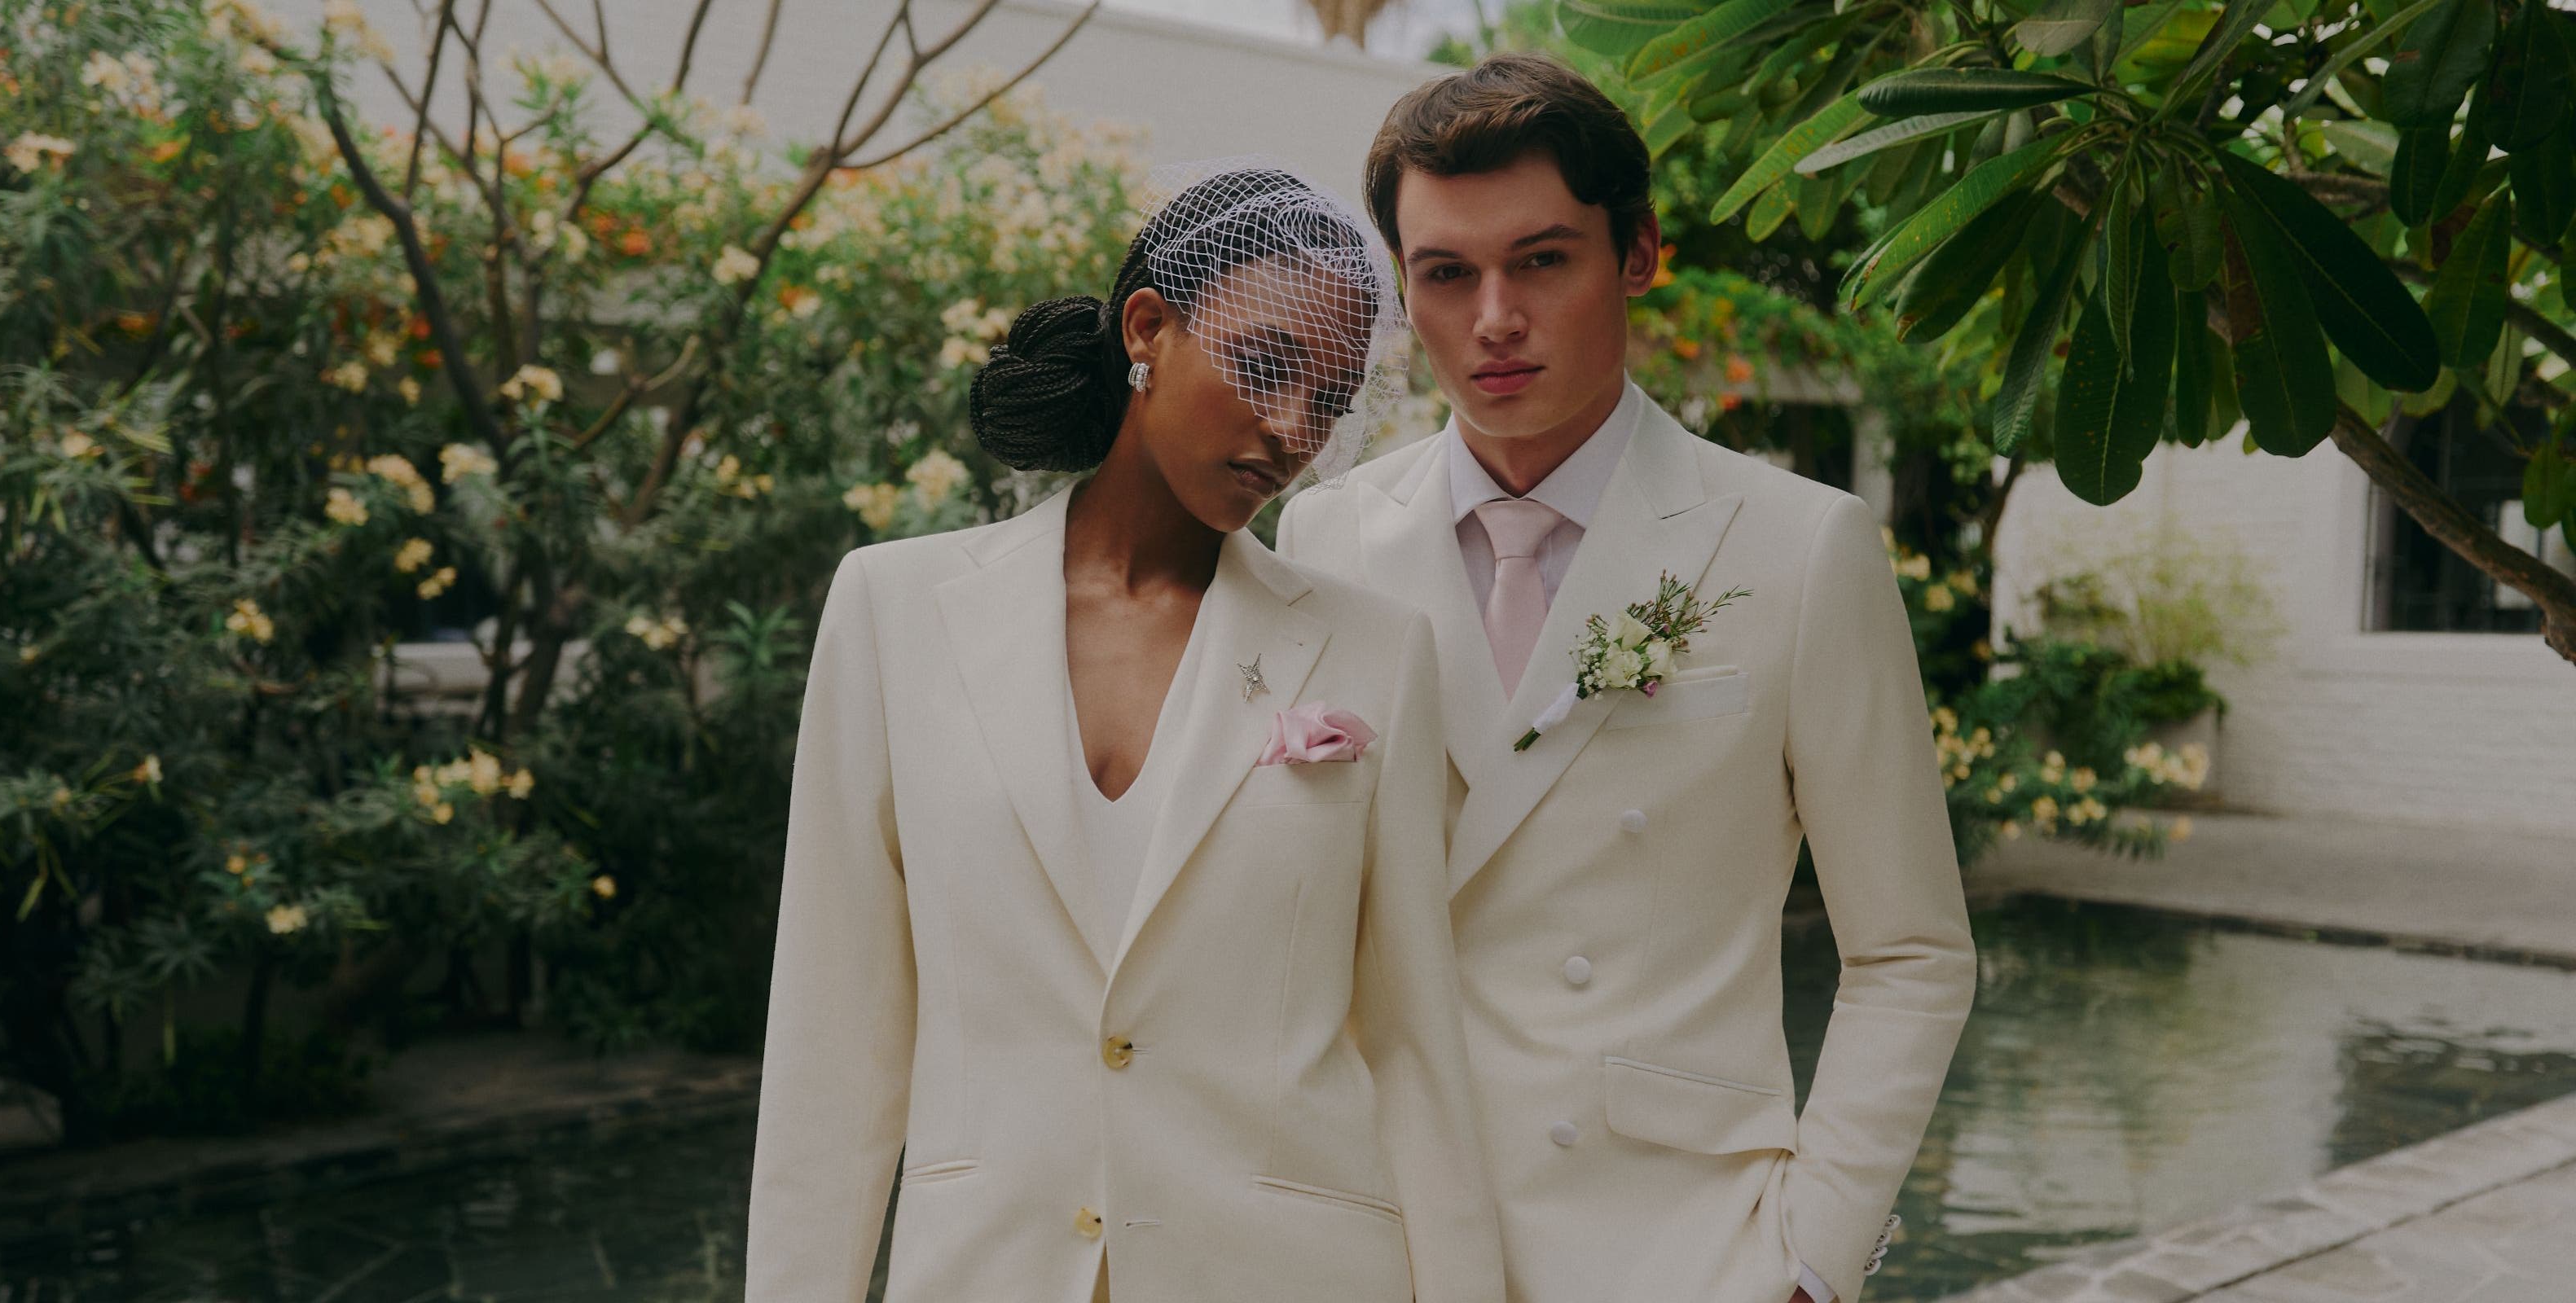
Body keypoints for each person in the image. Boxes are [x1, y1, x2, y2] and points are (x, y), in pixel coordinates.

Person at [1277, 54, 1976, 1303]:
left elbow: (1911, 950)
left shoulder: (1799, 547)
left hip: (1681, 1249)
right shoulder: (1327, 537)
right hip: (1385, 1240)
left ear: (1638, 253)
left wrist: (1812, 1262)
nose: (1495, 318)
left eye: (1542, 260)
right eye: (1447, 274)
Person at [745, 164, 1504, 1303]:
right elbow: (832, 1032)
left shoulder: (1377, 653)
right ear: (1147, 329)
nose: (1294, 428)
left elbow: (1412, 1046)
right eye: (1266, 366)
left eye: (1331, 397)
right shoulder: (894, 612)